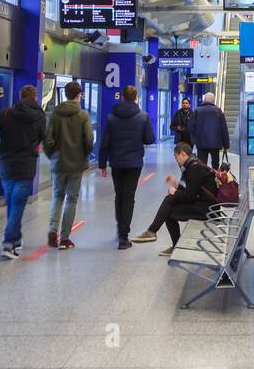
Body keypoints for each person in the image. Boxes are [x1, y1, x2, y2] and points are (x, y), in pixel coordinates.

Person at [0, 85, 48, 260]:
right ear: (35, 98)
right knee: (17, 206)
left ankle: (16, 239)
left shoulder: (5, 114)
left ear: (20, 96)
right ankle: (9, 243)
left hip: (6, 165)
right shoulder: (40, 116)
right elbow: (44, 138)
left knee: (12, 204)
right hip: (26, 166)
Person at [130, 142, 218, 256]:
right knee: (169, 209)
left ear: (182, 154)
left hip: (208, 209)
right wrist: (175, 184)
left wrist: (175, 192)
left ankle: (153, 232)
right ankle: (158, 235)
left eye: (176, 158)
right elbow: (191, 188)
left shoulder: (194, 168)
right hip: (204, 204)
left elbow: (190, 196)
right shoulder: (193, 165)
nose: (177, 161)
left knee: (169, 203)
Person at [98, 84, 155, 250]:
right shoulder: (143, 117)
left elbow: (104, 143)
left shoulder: (111, 117)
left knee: (119, 195)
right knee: (129, 197)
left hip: (116, 162)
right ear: (136, 98)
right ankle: (124, 236)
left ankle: (119, 228)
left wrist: (102, 164)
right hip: (134, 163)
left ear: (122, 97)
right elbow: (150, 139)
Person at [44, 80, 94, 250]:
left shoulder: (55, 114)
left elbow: (47, 140)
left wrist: (53, 156)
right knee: (71, 199)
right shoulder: (83, 115)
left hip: (58, 163)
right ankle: (65, 238)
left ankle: (52, 229)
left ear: (65, 94)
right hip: (76, 164)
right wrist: (84, 155)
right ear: (78, 95)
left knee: (57, 197)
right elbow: (89, 140)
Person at [192, 91, 230, 170]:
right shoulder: (218, 111)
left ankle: (202, 179)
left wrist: (195, 139)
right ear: (213, 101)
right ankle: (215, 179)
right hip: (215, 143)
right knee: (215, 164)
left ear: (204, 100)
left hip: (201, 143)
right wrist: (226, 144)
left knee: (201, 164)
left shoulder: (197, 111)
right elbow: (224, 128)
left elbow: (190, 126)